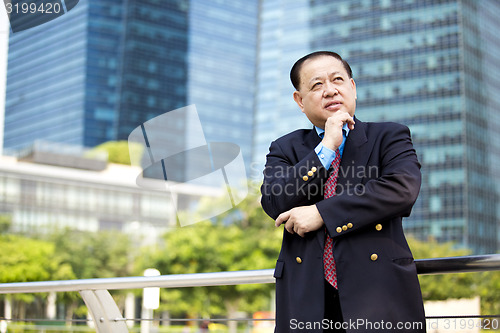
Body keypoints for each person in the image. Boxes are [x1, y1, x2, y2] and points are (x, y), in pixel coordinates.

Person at [260, 51, 426, 333]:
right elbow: (275, 201)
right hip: (306, 301)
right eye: (316, 85)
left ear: (353, 87)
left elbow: (401, 189)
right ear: (299, 101)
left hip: (379, 296)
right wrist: (326, 148)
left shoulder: (389, 136)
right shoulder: (284, 148)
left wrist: (321, 213)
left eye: (338, 79)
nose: (330, 90)